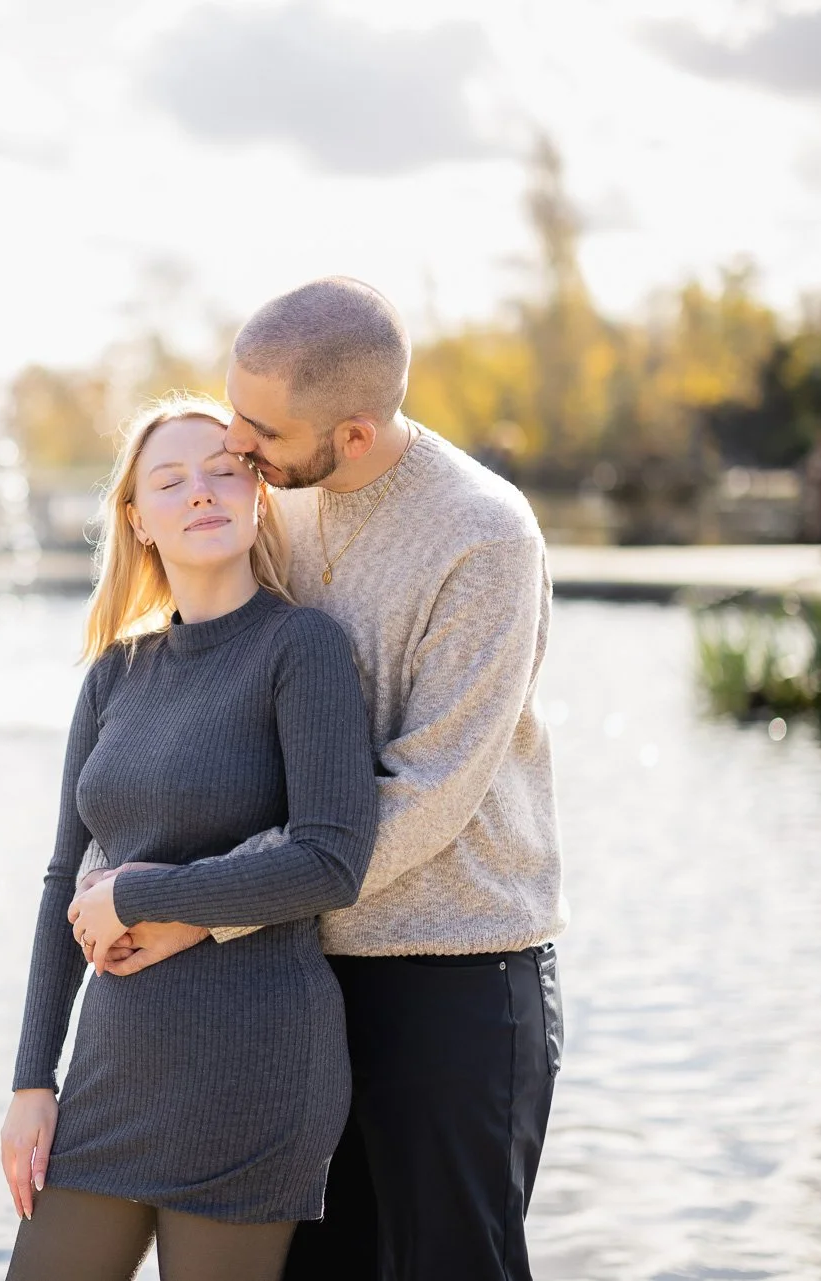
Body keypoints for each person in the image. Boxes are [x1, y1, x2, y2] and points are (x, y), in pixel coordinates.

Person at [84, 278, 567, 1281]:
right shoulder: (280, 497)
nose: (234, 446)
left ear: (351, 434)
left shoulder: (485, 537)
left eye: (259, 429)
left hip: (451, 970)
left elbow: (426, 794)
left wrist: (196, 908)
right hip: (292, 981)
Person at [0, 394, 380, 1281]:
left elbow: (332, 858)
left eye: (224, 470)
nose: (201, 492)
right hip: (112, 1068)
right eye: (170, 481)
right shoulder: (115, 673)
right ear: (138, 520)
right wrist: (32, 1081)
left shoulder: (303, 648)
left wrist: (144, 895)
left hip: (252, 1063)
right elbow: (64, 877)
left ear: (258, 495)